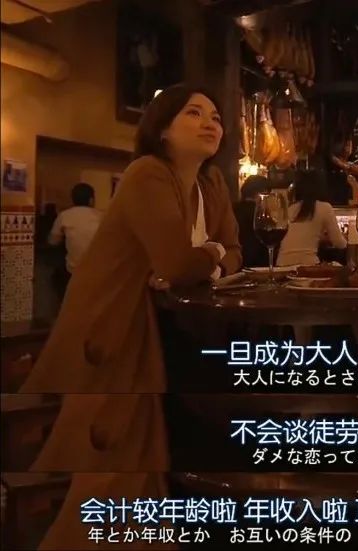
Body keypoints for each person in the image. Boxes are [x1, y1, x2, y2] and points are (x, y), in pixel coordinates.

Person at [20, 84, 242, 550]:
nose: (210, 123)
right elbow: (178, 264)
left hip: (168, 328)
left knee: (164, 449)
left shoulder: (213, 184)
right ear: (162, 129)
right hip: (116, 324)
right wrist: (208, 255)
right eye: (193, 113)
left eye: (216, 117)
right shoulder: (147, 173)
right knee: (115, 458)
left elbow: (233, 252)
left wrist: (209, 256)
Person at [276, 170, 347, 266]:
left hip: (282, 264)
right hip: (307, 265)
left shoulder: (289, 209)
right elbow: (340, 243)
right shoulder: (324, 207)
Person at [48, 183, 102, 285]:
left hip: (73, 270)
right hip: (98, 270)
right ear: (91, 200)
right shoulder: (101, 216)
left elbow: (53, 241)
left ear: (73, 199)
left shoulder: (64, 215)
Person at [234, 174, 272, 267]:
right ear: (263, 193)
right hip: (258, 267)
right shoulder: (261, 215)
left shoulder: (232, 210)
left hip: (235, 263)